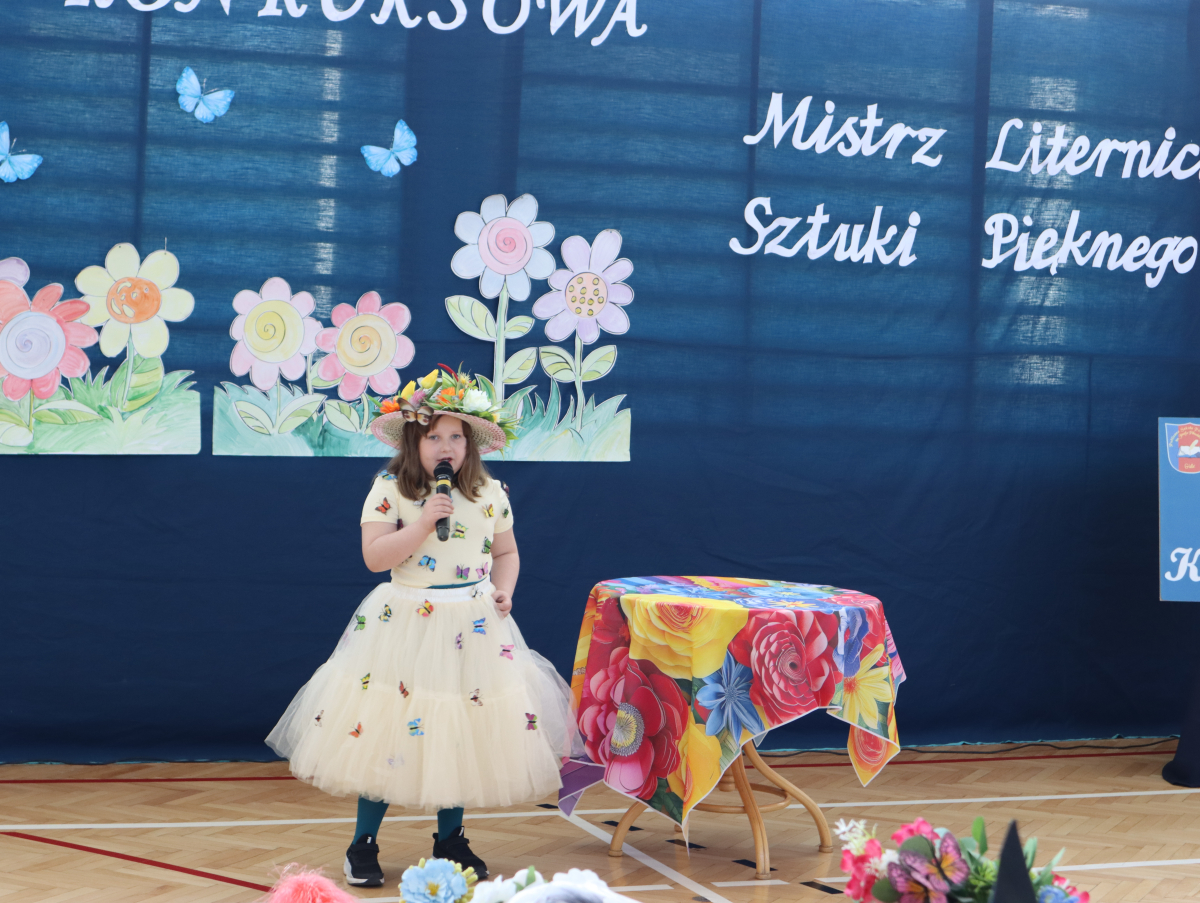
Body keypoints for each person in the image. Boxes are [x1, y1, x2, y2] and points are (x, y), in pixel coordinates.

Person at [266, 367, 579, 888]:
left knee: (460, 726)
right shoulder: (390, 489)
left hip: (473, 624)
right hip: (407, 622)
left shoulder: (489, 492)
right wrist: (422, 523)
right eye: (434, 436)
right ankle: (363, 842)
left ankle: (450, 839)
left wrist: (504, 589)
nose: (446, 446)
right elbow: (374, 557)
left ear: (470, 445)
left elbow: (506, 552)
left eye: (456, 436)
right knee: (387, 725)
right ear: (414, 441)